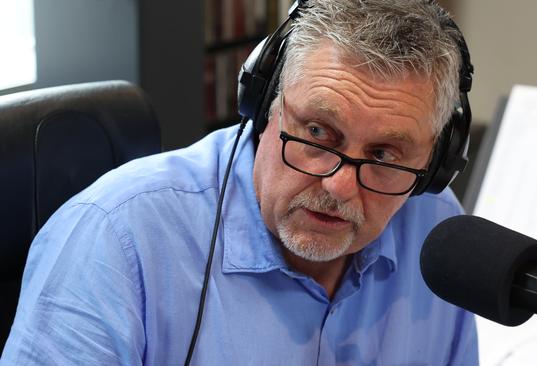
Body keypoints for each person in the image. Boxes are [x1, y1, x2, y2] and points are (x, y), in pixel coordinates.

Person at [1, 0, 478, 364]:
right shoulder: (115, 240)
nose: (339, 187)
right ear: (263, 102)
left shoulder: (439, 236)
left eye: (383, 156)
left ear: (435, 162)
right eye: (317, 132)